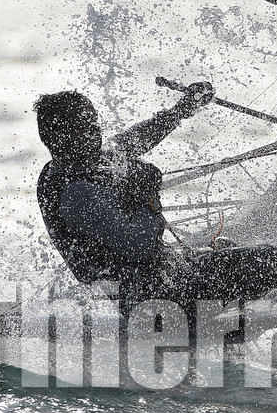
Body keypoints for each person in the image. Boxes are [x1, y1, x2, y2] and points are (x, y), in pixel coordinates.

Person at [34, 83, 213, 292]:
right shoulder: (76, 192)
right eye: (84, 124)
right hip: (155, 296)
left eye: (94, 121)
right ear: (58, 137)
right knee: (259, 260)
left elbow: (134, 139)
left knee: (225, 249)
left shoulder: (82, 163)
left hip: (168, 277)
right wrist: (147, 195)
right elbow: (140, 248)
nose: (95, 128)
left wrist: (179, 111)